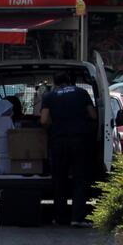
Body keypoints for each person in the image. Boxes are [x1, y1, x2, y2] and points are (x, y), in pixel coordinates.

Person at [41, 71, 99, 227]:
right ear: (70, 80)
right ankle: (77, 218)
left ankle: (60, 218)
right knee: (80, 179)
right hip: (80, 140)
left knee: (59, 179)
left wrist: (52, 129)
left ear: (55, 82)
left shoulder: (49, 96)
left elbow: (44, 119)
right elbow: (93, 115)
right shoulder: (81, 93)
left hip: (58, 142)